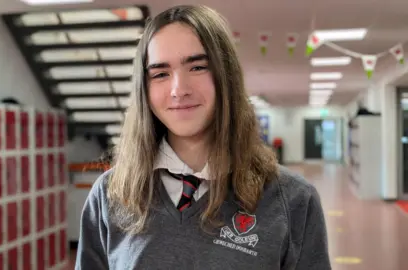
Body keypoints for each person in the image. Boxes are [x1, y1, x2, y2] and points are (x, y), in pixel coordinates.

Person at [75, 5, 331, 270]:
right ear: (145, 89)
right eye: (161, 74)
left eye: (197, 67)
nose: (179, 89)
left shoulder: (292, 200)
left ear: (226, 76)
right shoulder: (110, 195)